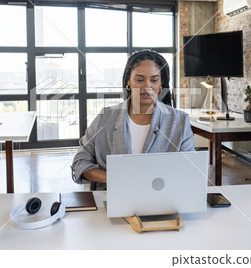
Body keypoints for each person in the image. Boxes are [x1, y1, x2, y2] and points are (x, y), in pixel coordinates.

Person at [71, 50, 195, 190]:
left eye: (154, 80)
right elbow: (80, 163)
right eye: (140, 79)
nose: (147, 86)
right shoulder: (105, 118)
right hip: (113, 198)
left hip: (162, 199)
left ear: (161, 84)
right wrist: (115, 178)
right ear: (128, 81)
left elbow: (190, 170)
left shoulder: (179, 121)